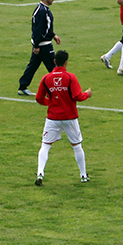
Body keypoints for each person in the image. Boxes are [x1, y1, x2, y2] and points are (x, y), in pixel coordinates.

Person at [34, 50, 91, 186]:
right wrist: (87, 94)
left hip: (53, 117)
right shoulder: (70, 77)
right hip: (70, 117)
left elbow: (38, 98)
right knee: (77, 146)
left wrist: (51, 103)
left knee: (45, 145)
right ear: (66, 62)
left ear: (54, 61)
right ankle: (83, 175)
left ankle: (40, 173)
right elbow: (78, 96)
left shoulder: (46, 78)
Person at [18, 0, 61, 96]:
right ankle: (58, 90)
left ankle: (23, 86)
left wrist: (53, 35)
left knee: (33, 65)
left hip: (42, 44)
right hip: (43, 45)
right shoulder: (42, 11)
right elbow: (37, 29)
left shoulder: (44, 9)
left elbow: (46, 27)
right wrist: (36, 45)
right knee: (54, 68)